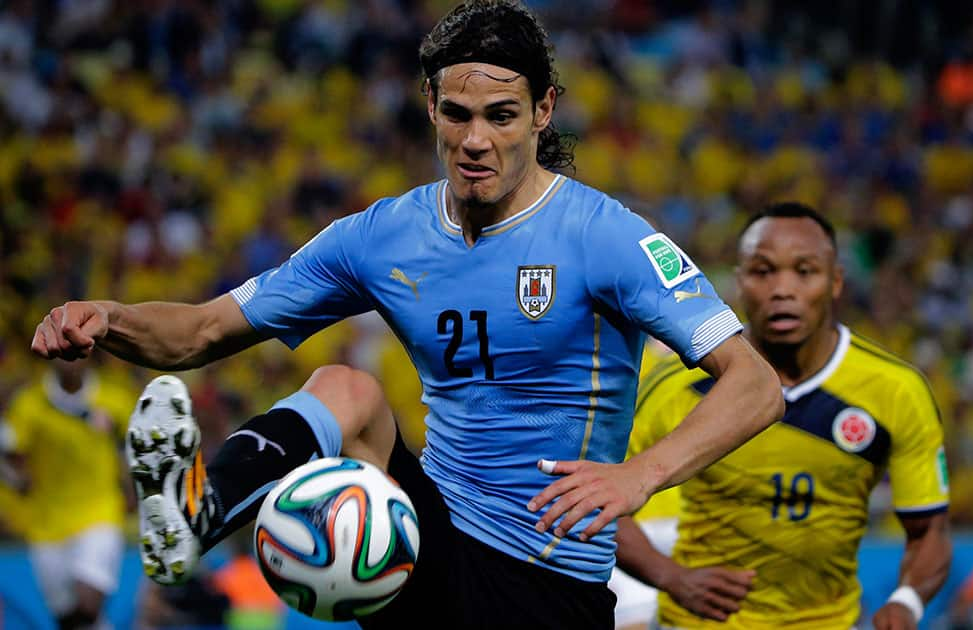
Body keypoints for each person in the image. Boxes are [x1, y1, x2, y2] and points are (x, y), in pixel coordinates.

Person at [30, 2, 784, 628]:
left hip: (549, 586)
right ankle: (197, 515)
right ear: (430, 105)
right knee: (346, 389)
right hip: (428, 550)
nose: (475, 140)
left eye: (501, 115)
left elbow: (754, 385)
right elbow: (200, 332)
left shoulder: (606, 236)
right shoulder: (382, 236)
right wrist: (108, 318)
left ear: (543, 110)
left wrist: (638, 478)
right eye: (456, 114)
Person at [615, 202, 952, 630]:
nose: (782, 289)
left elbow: (930, 531)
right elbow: (604, 497)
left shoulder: (896, 390)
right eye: (763, 271)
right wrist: (671, 578)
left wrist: (907, 601)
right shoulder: (673, 384)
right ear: (738, 283)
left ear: (836, 282)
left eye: (805, 271)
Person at [0, 359, 135, 629]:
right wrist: (18, 480)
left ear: (90, 352)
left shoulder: (114, 399)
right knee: (67, 619)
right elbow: (10, 452)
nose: (69, 358)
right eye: (62, 351)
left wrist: (133, 489)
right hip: (47, 523)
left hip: (100, 512)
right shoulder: (29, 404)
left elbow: (135, 448)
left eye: (77, 350)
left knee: (88, 601)